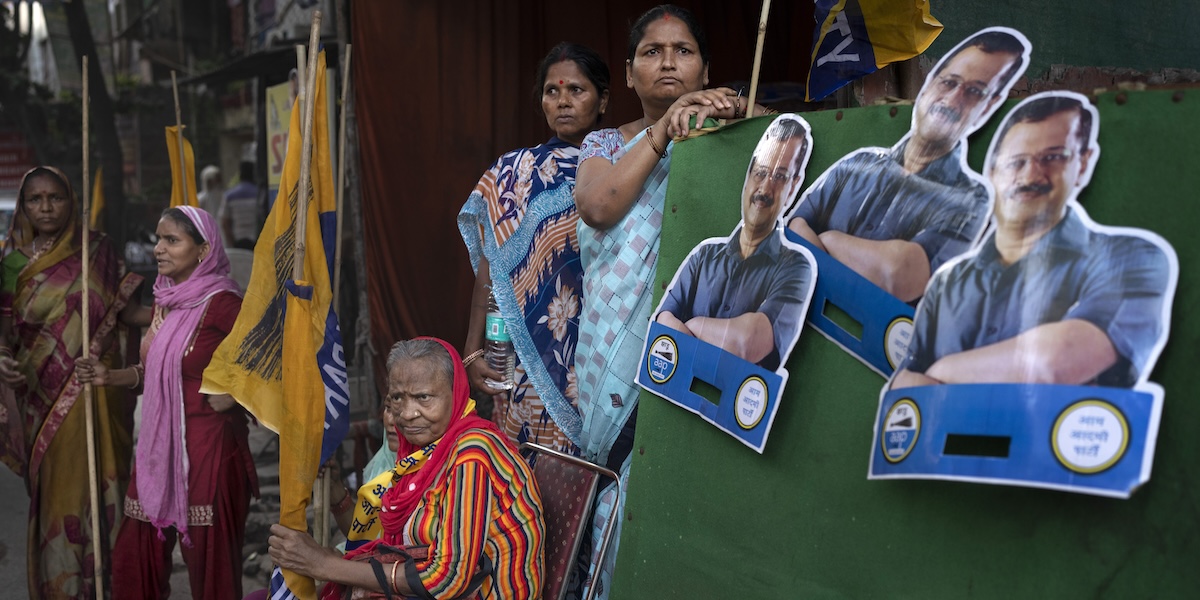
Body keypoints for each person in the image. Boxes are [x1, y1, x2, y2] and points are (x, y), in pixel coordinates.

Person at [571, 4, 760, 597]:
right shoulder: (605, 143)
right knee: (618, 489)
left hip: (699, 347)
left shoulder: (735, 134)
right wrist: (664, 132)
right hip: (614, 359)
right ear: (629, 74)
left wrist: (740, 113)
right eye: (652, 52)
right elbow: (598, 206)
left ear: (706, 69)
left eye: (683, 51)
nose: (669, 62)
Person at [892, 93, 1174, 390]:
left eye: (1053, 157)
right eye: (1016, 162)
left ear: (1082, 163)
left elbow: (1052, 363)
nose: (1030, 176)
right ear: (992, 172)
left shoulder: (1130, 258)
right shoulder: (947, 283)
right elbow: (905, 384)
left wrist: (941, 371)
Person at [268, 337, 545, 600]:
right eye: (397, 398)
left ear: (456, 392)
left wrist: (325, 565)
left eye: (423, 397)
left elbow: (447, 580)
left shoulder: (472, 454)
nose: (408, 414)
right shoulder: (423, 453)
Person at [77, 206, 258, 599]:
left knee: (210, 567)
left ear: (203, 249)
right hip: (159, 451)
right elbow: (153, 373)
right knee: (135, 554)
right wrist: (109, 377)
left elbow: (274, 356)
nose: (158, 248)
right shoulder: (166, 300)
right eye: (159, 239)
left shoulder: (223, 302)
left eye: (172, 240)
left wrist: (237, 394)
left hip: (211, 450)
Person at [787, 28, 1030, 302]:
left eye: (974, 91)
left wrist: (829, 239)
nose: (952, 99)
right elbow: (794, 229)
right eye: (949, 82)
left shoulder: (971, 200)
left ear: (989, 105)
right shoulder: (858, 163)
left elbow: (898, 275)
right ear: (929, 84)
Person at [458, 42, 610, 454]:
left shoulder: (624, 166)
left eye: (576, 90)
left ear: (602, 100)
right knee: (535, 472)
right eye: (552, 91)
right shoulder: (514, 174)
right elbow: (492, 267)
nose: (563, 101)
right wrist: (473, 348)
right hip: (531, 356)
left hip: (606, 345)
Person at [0, 166, 142, 599]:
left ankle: (106, 586)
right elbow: (5, 335)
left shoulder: (96, 250)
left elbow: (124, 315)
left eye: (55, 197)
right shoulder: (11, 263)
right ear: (24, 206)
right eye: (35, 199)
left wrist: (186, 305)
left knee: (99, 487)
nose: (46, 207)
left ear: (71, 201)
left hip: (93, 392)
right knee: (58, 497)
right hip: (39, 398)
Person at [655, 115, 814, 370]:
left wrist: (694, 325)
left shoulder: (797, 268)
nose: (765, 189)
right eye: (760, 172)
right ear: (748, 176)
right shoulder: (704, 256)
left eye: (780, 176)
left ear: (794, 186)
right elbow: (663, 323)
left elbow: (746, 342)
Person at [219, 161, 261, 250]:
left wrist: (231, 242)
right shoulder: (259, 194)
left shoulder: (229, 195)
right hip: (256, 240)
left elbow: (224, 222)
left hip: (237, 241)